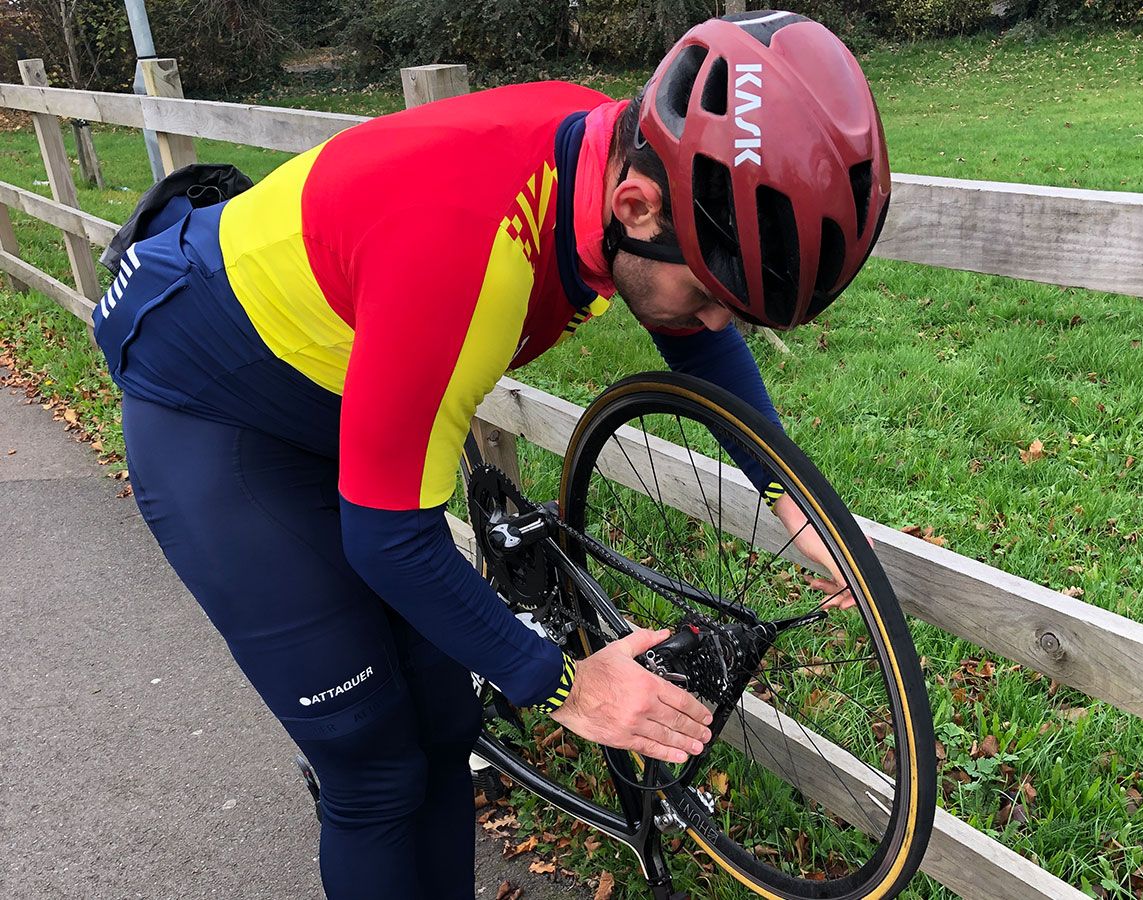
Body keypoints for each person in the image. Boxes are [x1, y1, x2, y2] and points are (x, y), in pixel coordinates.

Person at [91, 10, 889, 899]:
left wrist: (791, 500)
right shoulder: (471, 251)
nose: (713, 325)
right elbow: (388, 537)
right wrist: (570, 689)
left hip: (346, 392)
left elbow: (691, 335)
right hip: (216, 422)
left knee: (440, 723)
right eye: (710, 295)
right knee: (374, 768)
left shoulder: (607, 153)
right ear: (637, 207)